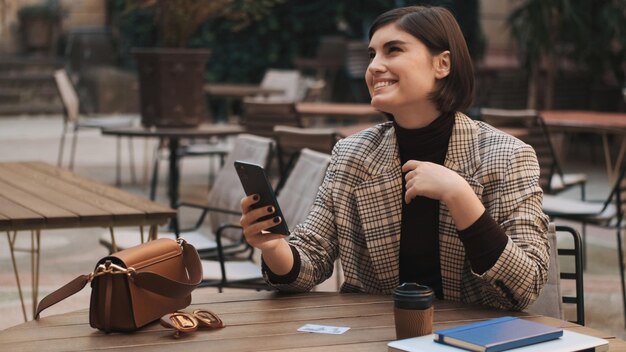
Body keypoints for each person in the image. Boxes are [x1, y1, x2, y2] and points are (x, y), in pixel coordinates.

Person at [240, 5, 550, 311]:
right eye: (372, 54)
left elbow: (525, 287)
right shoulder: (353, 153)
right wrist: (274, 247)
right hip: (374, 335)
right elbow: (312, 257)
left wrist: (459, 195)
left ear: (442, 64)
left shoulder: (507, 155)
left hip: (472, 338)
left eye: (394, 50)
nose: (374, 66)